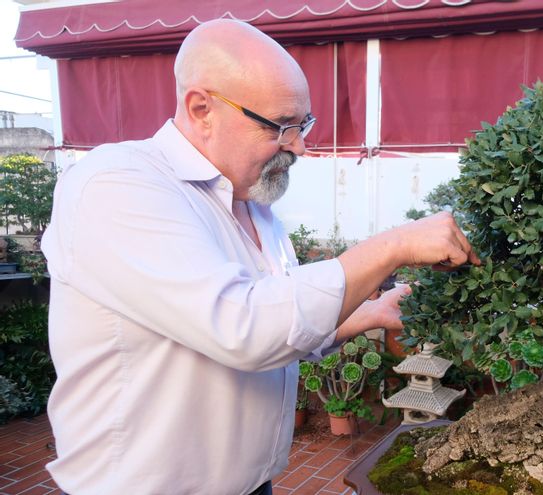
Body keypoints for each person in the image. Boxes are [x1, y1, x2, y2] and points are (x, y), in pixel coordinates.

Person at [41, 19, 479, 495]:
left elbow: (279, 321)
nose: (300, 146)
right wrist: (393, 245)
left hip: (253, 485)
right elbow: (243, 328)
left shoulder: (252, 203)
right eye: (281, 127)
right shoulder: (116, 184)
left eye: (303, 125)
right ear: (202, 108)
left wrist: (368, 313)